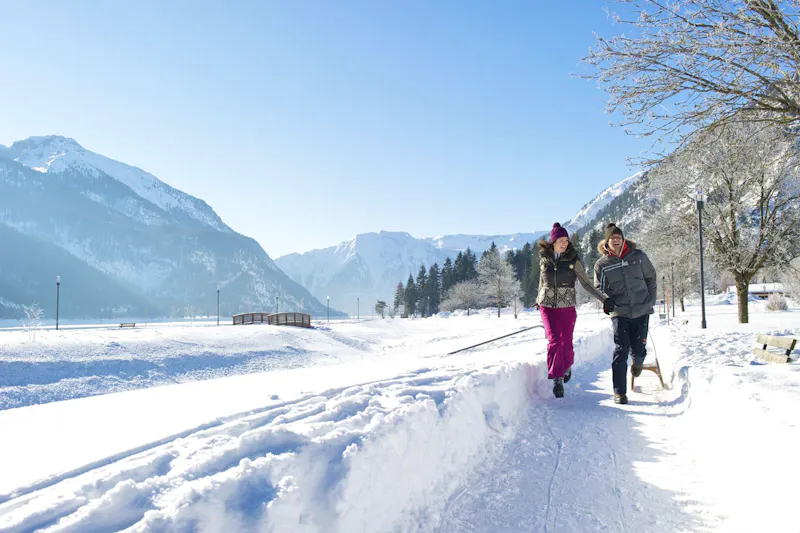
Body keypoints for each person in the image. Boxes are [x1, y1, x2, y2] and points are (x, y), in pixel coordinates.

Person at [535, 223, 612, 398]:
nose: (564, 243)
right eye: (560, 240)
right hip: (547, 306)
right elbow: (542, 281)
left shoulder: (573, 260)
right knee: (554, 341)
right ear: (553, 242)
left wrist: (604, 299)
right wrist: (538, 299)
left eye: (566, 240)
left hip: (567, 306)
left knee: (566, 342)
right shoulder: (544, 259)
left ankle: (567, 365)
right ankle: (557, 378)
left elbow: (586, 283)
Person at [594, 223, 657, 405]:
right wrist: (606, 300)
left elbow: (651, 277)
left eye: (618, 237)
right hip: (620, 311)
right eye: (612, 238)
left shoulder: (638, 257)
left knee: (638, 349)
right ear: (607, 242)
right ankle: (619, 392)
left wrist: (650, 301)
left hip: (641, 309)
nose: (616, 240)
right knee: (621, 349)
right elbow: (598, 287)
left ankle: (638, 362)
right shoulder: (602, 264)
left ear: (623, 240)